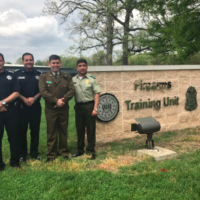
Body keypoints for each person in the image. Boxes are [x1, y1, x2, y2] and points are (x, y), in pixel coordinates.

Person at [39, 55, 75, 162]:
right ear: (49, 64)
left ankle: (63, 151)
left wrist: (62, 101)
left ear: (60, 64)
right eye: (53, 63)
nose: (55, 65)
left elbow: (71, 90)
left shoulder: (66, 77)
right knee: (51, 131)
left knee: (63, 130)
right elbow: (43, 92)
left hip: (63, 108)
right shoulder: (44, 77)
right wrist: (56, 101)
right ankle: (51, 154)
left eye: (57, 63)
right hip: (51, 109)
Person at [15, 53, 41, 162]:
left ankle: (34, 153)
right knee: (22, 131)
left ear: (33, 61)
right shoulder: (16, 74)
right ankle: (22, 154)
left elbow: (42, 90)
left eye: (30, 60)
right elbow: (14, 91)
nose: (29, 62)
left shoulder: (39, 75)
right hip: (21, 107)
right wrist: (24, 99)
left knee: (35, 130)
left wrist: (34, 98)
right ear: (22, 61)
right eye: (26, 60)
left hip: (35, 107)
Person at [72, 58, 101, 160]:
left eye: (84, 65)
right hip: (78, 107)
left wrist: (95, 108)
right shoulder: (73, 79)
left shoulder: (92, 79)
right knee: (79, 129)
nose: (82, 67)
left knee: (90, 129)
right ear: (77, 67)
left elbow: (97, 94)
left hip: (89, 106)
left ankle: (90, 151)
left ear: (87, 67)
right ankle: (79, 150)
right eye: (80, 66)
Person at [0, 53, 21, 172]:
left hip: (11, 111)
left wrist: (2, 103)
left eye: (0, 60)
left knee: (13, 137)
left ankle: (15, 161)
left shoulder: (11, 76)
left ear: (3, 61)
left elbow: (16, 93)